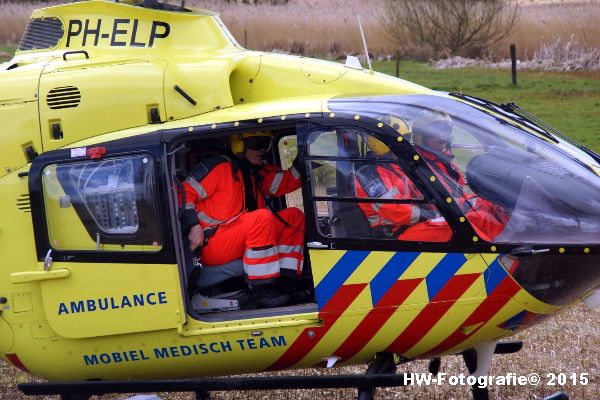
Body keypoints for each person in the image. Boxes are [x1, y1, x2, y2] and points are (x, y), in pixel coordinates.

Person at [182, 131, 305, 308]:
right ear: (238, 145)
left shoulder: (251, 172)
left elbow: (283, 183)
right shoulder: (219, 167)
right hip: (212, 244)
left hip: (242, 237)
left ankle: (285, 283)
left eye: (266, 143)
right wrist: (193, 225)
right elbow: (184, 192)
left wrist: (300, 164)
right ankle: (262, 290)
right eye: (256, 143)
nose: (262, 149)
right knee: (262, 218)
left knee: (294, 217)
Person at [398, 110, 509, 242]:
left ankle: (516, 249)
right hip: (420, 226)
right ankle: (494, 259)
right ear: (421, 136)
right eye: (437, 131)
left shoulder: (446, 165)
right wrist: (467, 204)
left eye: (446, 130)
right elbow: (430, 205)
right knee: (468, 228)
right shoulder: (413, 166)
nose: (443, 136)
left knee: (493, 211)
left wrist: (484, 202)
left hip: (447, 216)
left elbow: (459, 196)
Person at [354, 116, 437, 238]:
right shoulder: (368, 173)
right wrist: (426, 215)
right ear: (383, 144)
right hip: (390, 233)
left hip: (409, 226)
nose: (404, 146)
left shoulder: (398, 165)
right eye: (400, 141)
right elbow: (390, 208)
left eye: (406, 140)